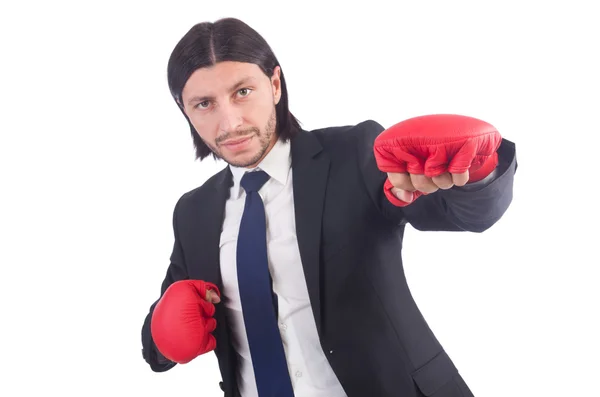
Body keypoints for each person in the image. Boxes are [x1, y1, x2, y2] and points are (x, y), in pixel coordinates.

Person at [140, 17, 517, 397]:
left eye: (242, 92)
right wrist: (162, 334)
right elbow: (158, 342)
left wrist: (477, 171)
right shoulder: (193, 212)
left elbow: (466, 213)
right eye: (204, 104)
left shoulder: (354, 154)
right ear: (184, 109)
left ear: (274, 84)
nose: (230, 122)